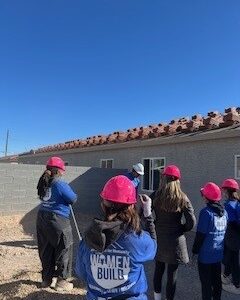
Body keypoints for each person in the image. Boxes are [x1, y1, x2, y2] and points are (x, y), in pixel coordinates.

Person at [75, 175, 157, 299]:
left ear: (103, 205)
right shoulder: (138, 239)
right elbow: (153, 247)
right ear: (131, 206)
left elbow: (81, 272)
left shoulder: (89, 237)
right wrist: (148, 214)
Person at [152, 165, 196, 300]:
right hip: (175, 240)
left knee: (158, 270)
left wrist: (153, 226)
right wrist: (182, 228)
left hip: (159, 238)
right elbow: (191, 222)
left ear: (164, 178)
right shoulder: (182, 197)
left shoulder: (155, 195)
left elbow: (143, 214)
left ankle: (157, 298)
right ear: (178, 180)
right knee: (172, 274)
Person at [36, 156, 77, 291]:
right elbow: (73, 198)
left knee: (46, 249)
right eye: (62, 170)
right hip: (58, 219)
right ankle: (61, 282)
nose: (63, 173)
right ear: (58, 170)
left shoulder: (44, 182)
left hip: (42, 218)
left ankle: (46, 280)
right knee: (64, 247)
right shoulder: (59, 183)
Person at [192, 182, 228, 300]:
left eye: (203, 194)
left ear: (207, 197)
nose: (202, 196)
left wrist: (194, 252)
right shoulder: (224, 213)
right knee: (217, 282)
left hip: (205, 257)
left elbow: (200, 235)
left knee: (206, 285)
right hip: (218, 255)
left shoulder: (206, 213)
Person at [221, 179, 240, 294]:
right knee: (229, 257)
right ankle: (226, 275)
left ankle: (237, 285)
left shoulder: (228, 205)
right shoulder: (238, 202)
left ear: (227, 191)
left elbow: (231, 223)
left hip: (232, 235)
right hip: (236, 235)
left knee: (233, 260)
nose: (222, 191)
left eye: (223, 189)